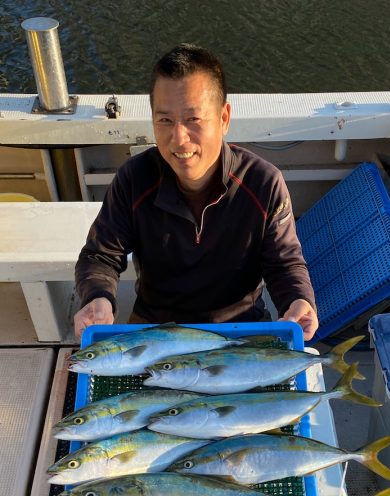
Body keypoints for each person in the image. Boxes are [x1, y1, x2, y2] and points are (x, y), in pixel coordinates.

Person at [74, 43, 318, 341]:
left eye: (193, 119)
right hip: (156, 331)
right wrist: (97, 297)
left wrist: (299, 300)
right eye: (165, 120)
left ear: (224, 118)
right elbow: (101, 255)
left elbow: (283, 263)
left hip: (238, 331)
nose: (179, 139)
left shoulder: (263, 183)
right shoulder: (134, 179)